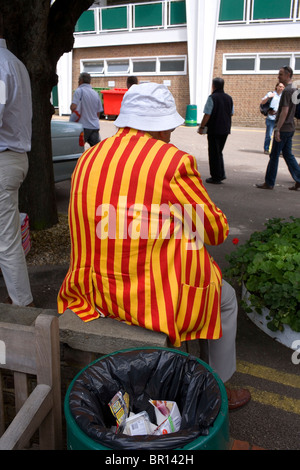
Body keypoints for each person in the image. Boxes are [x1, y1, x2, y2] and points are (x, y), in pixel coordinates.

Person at [58, 83, 251, 410]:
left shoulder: (89, 156)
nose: (172, 133)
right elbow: (215, 231)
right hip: (145, 301)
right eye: (170, 126)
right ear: (160, 126)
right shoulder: (172, 162)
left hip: (93, 291)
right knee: (225, 297)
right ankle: (216, 387)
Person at [0, 15, 34, 307]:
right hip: (13, 158)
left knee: (6, 241)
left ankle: (23, 307)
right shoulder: (13, 62)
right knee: (6, 239)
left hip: (3, 160)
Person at [256, 66, 300, 191]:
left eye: (280, 74)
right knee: (287, 154)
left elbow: (285, 111)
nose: (278, 76)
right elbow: (292, 110)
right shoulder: (294, 90)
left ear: (288, 75)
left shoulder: (286, 91)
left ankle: (269, 183)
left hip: (284, 128)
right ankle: (299, 179)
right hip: (290, 127)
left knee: (274, 155)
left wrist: (278, 129)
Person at [198, 77, 233, 184]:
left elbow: (207, 114)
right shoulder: (229, 98)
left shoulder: (212, 98)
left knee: (213, 153)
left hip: (214, 129)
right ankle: (221, 174)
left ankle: (216, 177)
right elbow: (231, 113)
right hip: (225, 129)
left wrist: (202, 127)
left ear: (213, 86)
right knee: (219, 152)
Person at [70, 72, 103, 147]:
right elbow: (98, 113)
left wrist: (71, 107)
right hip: (94, 126)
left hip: (83, 126)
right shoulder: (95, 93)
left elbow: (74, 107)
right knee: (96, 149)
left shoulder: (79, 91)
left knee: (77, 148)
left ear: (81, 80)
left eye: (78, 81)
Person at [261, 82, 284, 154]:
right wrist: (269, 97)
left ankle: (278, 150)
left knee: (278, 135)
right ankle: (266, 149)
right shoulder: (271, 94)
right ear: (276, 87)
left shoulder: (283, 96)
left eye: (282, 87)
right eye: (280, 86)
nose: (281, 88)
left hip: (279, 119)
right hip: (270, 118)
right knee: (269, 135)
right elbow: (263, 102)